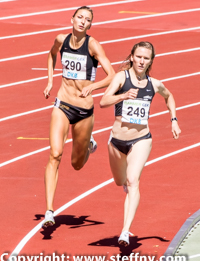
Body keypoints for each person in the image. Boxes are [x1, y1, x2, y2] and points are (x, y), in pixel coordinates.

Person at [100, 41, 181, 246]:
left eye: (146, 58)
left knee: (133, 180)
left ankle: (125, 232)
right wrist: (124, 95)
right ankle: (126, 187)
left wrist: (174, 120)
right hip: (117, 141)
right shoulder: (122, 77)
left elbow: (169, 96)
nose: (142, 61)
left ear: (150, 61)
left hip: (141, 139)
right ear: (132, 57)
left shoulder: (154, 84)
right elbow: (103, 101)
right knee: (121, 182)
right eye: (139, 57)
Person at [43, 6, 115, 228]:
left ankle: (88, 146)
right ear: (72, 19)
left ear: (90, 25)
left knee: (76, 164)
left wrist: (93, 86)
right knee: (55, 154)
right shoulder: (61, 39)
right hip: (62, 103)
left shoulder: (92, 45)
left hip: (84, 111)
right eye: (80, 17)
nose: (82, 21)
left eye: (87, 19)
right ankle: (49, 212)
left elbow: (112, 75)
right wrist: (50, 81)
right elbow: (51, 54)